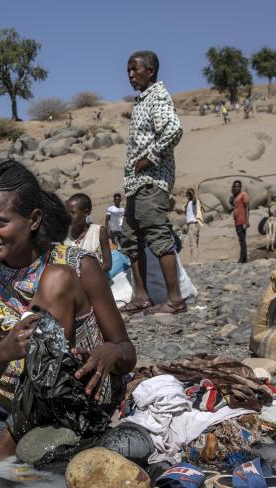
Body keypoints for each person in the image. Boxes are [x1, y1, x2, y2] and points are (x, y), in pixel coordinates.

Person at [0, 160, 137, 460]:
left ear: (33, 220)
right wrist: (4, 351)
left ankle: (14, 434)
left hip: (78, 393)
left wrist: (111, 352)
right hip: (13, 395)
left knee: (56, 278)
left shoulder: (78, 264)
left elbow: (127, 352)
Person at [120, 50, 186, 315]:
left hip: (152, 182)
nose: (131, 75)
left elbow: (173, 129)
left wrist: (150, 156)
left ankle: (175, 299)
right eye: (128, 71)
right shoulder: (142, 100)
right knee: (130, 237)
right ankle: (141, 296)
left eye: (135, 70)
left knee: (158, 237)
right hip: (137, 184)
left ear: (151, 70)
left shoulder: (158, 96)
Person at [65, 193, 112, 273]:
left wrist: (86, 275)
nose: (67, 216)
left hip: (95, 281)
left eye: (72, 213)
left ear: (86, 212)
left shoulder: (99, 231)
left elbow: (107, 265)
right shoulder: (65, 234)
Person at [230, 180, 250, 263]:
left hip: (242, 221)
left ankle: (242, 259)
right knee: (241, 239)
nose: (237, 188)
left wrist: (247, 221)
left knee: (242, 240)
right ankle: (244, 258)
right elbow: (234, 205)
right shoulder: (236, 196)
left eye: (238, 186)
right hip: (237, 221)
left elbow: (247, 208)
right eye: (235, 186)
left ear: (240, 187)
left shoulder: (244, 195)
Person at [183, 189, 204, 260]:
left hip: (193, 224)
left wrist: (193, 194)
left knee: (193, 243)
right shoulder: (188, 203)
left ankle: (194, 260)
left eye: (188, 195)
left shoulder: (194, 202)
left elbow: (195, 200)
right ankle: (195, 258)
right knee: (193, 242)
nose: (187, 197)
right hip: (190, 224)